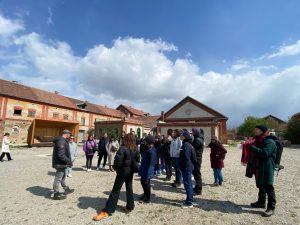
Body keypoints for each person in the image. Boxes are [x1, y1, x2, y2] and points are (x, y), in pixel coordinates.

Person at [93, 133, 140, 221]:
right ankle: (130, 207)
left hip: (122, 172)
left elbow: (117, 162)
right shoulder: (135, 149)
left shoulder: (123, 148)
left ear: (125, 139)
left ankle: (108, 210)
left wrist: (116, 169)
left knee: (115, 190)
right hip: (130, 172)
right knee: (129, 189)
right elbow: (138, 160)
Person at [249, 125, 277, 217]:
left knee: (268, 186)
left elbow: (265, 153)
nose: (255, 131)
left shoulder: (269, 141)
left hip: (267, 167)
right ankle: (261, 202)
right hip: (260, 166)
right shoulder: (259, 140)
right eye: (255, 129)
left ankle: (271, 208)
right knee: (261, 185)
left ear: (262, 131)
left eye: (257, 130)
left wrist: (251, 147)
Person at [52, 130, 74, 200]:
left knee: (63, 176)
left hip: (62, 163)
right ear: (67, 134)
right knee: (58, 178)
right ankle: (56, 193)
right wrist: (69, 161)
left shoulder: (63, 140)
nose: (70, 136)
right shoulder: (61, 141)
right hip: (60, 163)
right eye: (69, 134)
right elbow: (61, 155)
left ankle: (65, 188)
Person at [179, 130, 195, 208]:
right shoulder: (187, 144)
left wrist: (182, 164)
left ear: (184, 136)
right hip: (187, 166)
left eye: (181, 135)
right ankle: (189, 199)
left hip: (186, 167)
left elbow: (186, 157)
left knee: (188, 184)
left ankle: (189, 202)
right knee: (188, 184)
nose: (180, 137)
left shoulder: (186, 145)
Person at [139, 135, 157, 203]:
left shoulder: (152, 152)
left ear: (148, 142)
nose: (144, 142)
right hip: (144, 169)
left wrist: (148, 174)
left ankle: (147, 198)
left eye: (145, 141)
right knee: (143, 182)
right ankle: (145, 194)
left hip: (147, 171)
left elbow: (152, 165)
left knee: (146, 184)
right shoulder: (147, 149)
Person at [191, 128, 204, 195]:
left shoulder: (197, 140)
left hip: (197, 159)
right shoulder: (198, 139)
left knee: (197, 174)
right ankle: (197, 186)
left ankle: (199, 189)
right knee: (196, 173)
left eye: (193, 132)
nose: (192, 133)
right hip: (197, 158)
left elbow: (193, 148)